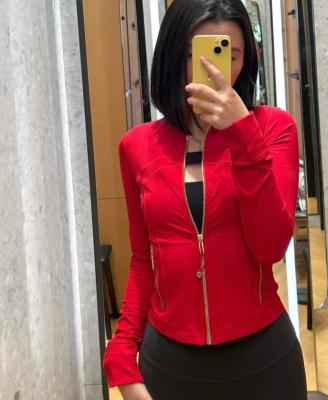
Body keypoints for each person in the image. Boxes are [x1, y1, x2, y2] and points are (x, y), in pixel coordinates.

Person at [103, 0, 306, 399]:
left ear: (246, 61)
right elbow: (143, 260)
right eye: (198, 54)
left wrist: (242, 134)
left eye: (231, 54)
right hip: (170, 364)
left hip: (264, 361)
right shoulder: (137, 146)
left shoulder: (272, 130)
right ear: (173, 56)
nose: (215, 69)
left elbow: (270, 247)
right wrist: (121, 356)